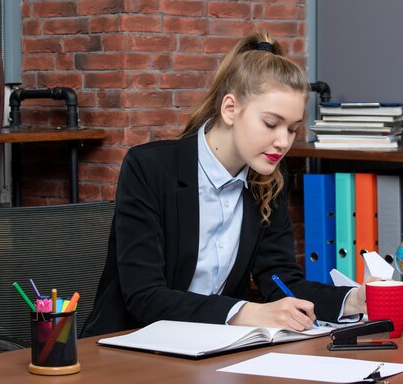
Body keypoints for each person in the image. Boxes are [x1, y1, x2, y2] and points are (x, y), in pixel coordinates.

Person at [81, 32, 370, 337]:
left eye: (293, 129)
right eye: (271, 124)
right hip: (127, 346)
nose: (282, 142)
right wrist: (245, 312)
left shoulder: (268, 178)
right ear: (230, 109)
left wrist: (352, 300)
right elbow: (144, 296)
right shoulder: (149, 168)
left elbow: (281, 281)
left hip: (215, 348)